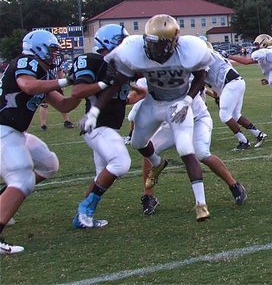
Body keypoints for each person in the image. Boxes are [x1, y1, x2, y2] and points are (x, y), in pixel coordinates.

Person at [83, 14, 214, 222]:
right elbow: (116, 83)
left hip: (177, 104)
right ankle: (157, 163)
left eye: (158, 44)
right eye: (150, 42)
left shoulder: (191, 50)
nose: (153, 49)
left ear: (173, 41)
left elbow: (200, 77)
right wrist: (94, 111)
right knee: (137, 142)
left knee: (185, 149)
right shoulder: (134, 50)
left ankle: (201, 204)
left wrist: (188, 100)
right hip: (153, 103)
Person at [0, 30, 81, 254]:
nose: (55, 55)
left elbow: (64, 105)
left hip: (15, 131)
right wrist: (66, 79)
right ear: (39, 48)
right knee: (22, 178)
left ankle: (5, 198)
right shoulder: (27, 61)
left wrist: (81, 88)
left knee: (48, 164)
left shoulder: (42, 76)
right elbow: (27, 85)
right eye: (53, 50)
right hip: (3, 128)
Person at [137, 84, 247, 216]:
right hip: (174, 123)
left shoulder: (180, 70)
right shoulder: (151, 71)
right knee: (148, 149)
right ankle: (149, 196)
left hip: (198, 119)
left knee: (202, 153)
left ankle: (234, 185)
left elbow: (198, 81)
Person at [67, 24, 132, 229]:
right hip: (96, 126)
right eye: (122, 42)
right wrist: (106, 83)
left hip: (108, 127)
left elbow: (117, 93)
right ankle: (85, 210)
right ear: (110, 42)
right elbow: (78, 91)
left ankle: (81, 218)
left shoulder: (122, 65)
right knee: (120, 163)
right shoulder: (94, 61)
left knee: (100, 176)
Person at [201, 39, 267, 150]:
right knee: (236, 115)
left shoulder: (206, 56)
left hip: (231, 83)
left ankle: (243, 141)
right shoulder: (215, 56)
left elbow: (202, 76)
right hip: (236, 82)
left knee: (224, 115)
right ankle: (258, 134)